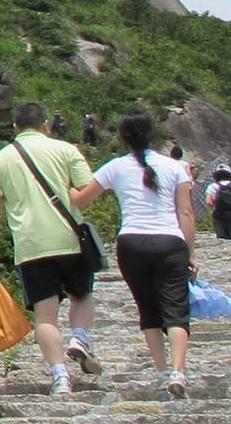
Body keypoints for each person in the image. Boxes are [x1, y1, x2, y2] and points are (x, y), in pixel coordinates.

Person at [0, 102, 103, 393]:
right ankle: (80, 337)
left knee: (45, 315)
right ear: (47, 124)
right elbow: (85, 195)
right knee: (82, 296)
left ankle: (60, 376)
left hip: (31, 246)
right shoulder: (66, 150)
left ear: (15, 126)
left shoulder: (0, 160)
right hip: (69, 241)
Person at [73, 112, 196, 397]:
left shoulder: (115, 167)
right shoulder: (175, 167)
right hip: (169, 242)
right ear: (152, 135)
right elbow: (186, 212)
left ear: (122, 138)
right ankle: (179, 371)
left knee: (148, 309)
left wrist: (67, 180)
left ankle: (161, 370)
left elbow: (80, 200)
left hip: (131, 244)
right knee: (176, 310)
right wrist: (190, 252)